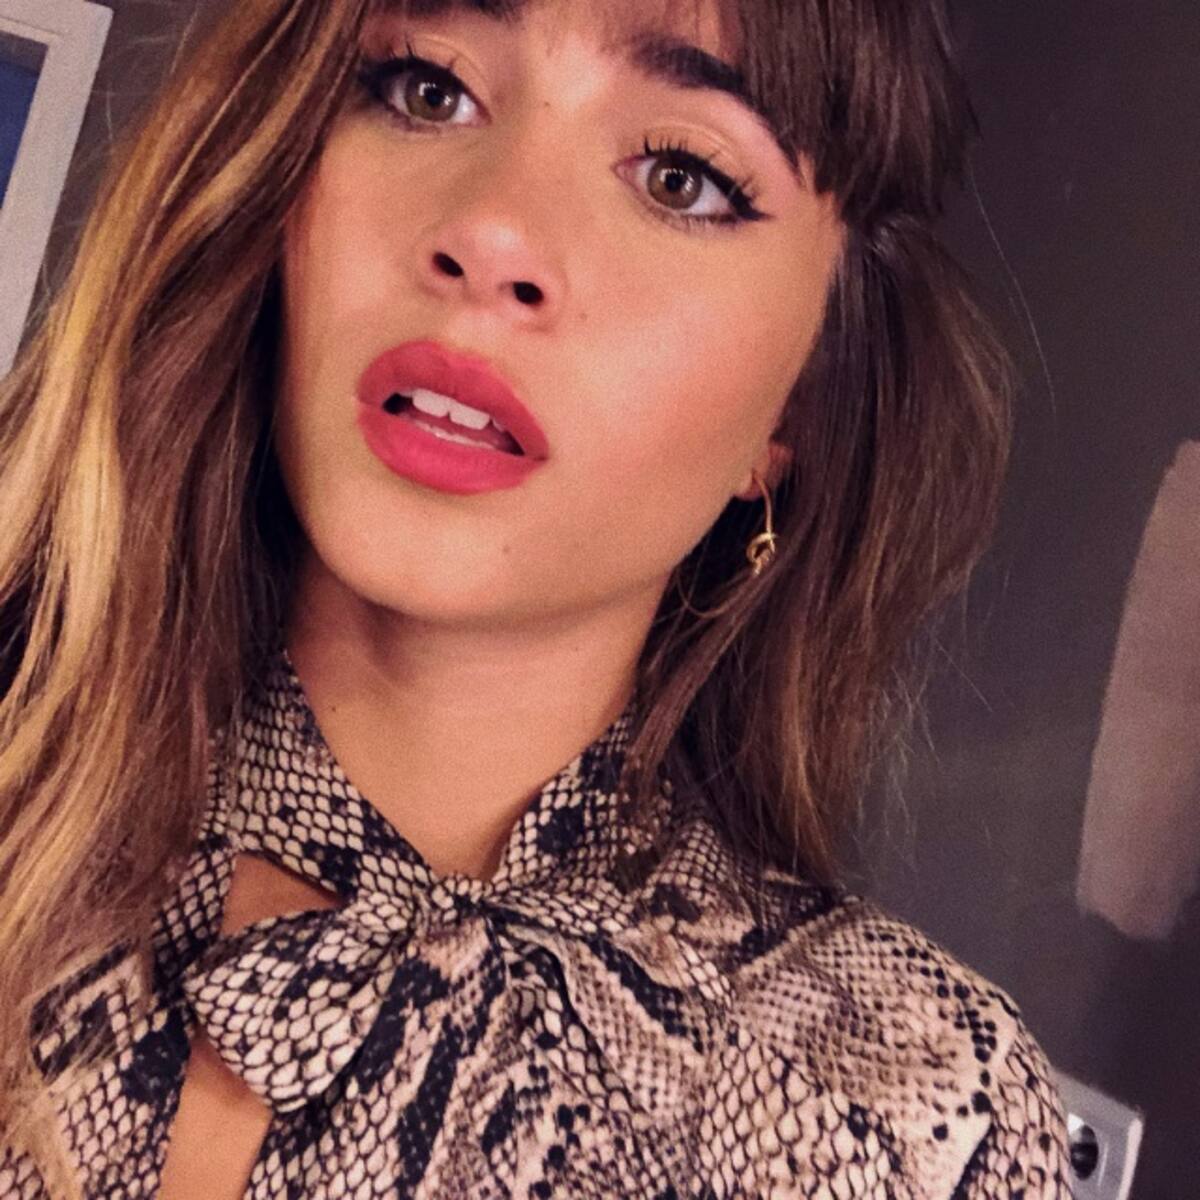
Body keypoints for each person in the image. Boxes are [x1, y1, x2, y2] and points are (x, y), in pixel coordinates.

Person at [0, 0, 1073, 1196]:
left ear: (796, 413)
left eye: (680, 178)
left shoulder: (911, 1118)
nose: (492, 230)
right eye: (429, 90)